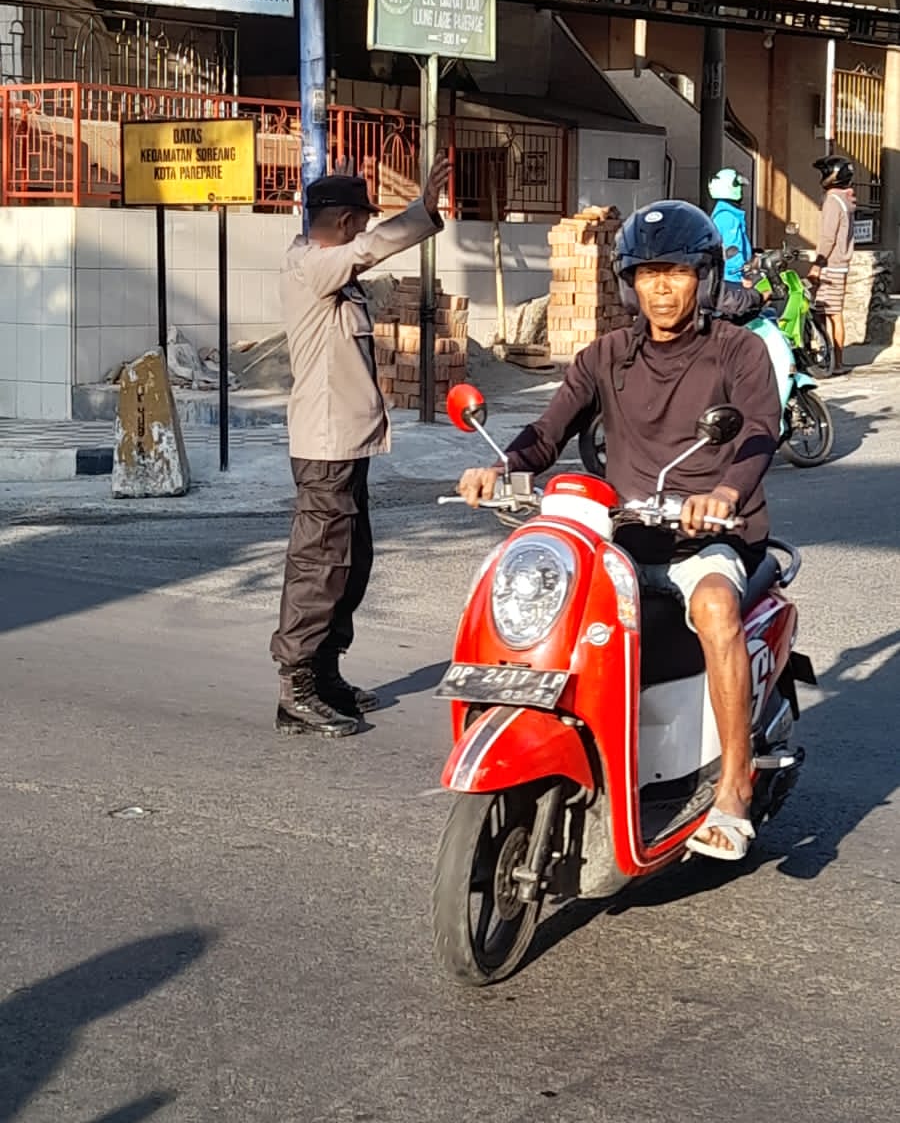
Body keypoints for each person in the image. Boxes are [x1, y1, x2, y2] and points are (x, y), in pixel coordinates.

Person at [458, 201, 782, 861]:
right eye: (646, 273)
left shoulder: (737, 351)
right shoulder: (605, 356)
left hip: (706, 536)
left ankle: (731, 791)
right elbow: (548, 431)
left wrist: (722, 494)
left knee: (716, 607)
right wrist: (502, 465)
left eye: (677, 273)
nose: (661, 288)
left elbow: (757, 432)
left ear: (705, 278)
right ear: (627, 283)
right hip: (621, 538)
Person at [271, 152, 452, 737]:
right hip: (324, 446)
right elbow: (369, 250)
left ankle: (325, 672)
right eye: (360, 220)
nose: (361, 232)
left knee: (350, 564)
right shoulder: (311, 265)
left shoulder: (333, 273)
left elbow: (359, 255)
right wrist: (420, 211)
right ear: (347, 221)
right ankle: (295, 685)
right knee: (319, 565)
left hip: (347, 445)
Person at [809, 156, 856, 374]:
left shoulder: (832, 201)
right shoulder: (847, 199)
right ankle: (836, 361)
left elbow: (828, 236)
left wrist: (818, 264)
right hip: (842, 264)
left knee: (825, 313)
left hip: (830, 266)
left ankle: (833, 363)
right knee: (833, 313)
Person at [709, 168, 752, 284]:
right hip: (732, 280)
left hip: (726, 277)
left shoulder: (723, 213)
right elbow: (732, 250)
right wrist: (739, 277)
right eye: (739, 187)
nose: (742, 192)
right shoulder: (728, 217)